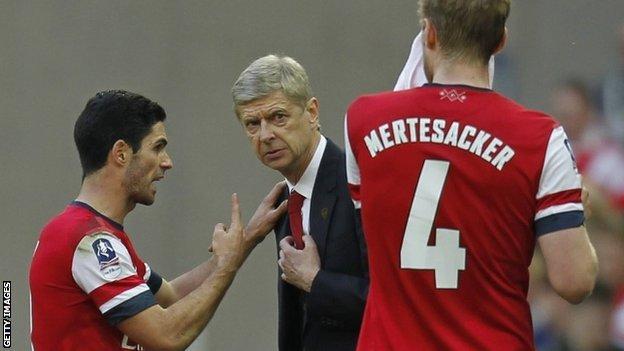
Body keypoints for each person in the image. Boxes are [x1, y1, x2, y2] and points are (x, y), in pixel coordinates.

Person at [344, 1, 599, 350]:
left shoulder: (363, 119)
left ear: (429, 34)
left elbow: (371, 236)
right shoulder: (540, 138)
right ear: (500, 41)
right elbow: (575, 281)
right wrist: (573, 216)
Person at [29, 90, 287, 350]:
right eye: (158, 147)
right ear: (121, 153)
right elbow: (166, 336)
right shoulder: (89, 241)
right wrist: (226, 268)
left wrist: (246, 239)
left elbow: (171, 297)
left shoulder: (92, 233)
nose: (167, 162)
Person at [231, 55, 368, 351]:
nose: (266, 135)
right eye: (252, 124)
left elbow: (391, 302)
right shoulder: (283, 201)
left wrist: (316, 282)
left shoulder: (357, 186)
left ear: (312, 112)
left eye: (278, 117)